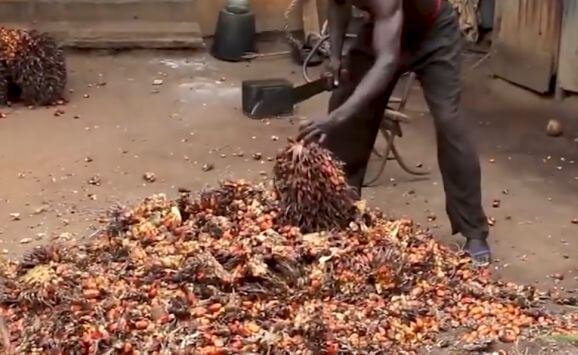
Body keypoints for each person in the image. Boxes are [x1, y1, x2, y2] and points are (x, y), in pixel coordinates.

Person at [297, 0, 491, 265]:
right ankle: (342, 209)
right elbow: (338, 4)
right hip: (382, 27)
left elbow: (388, 62)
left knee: (449, 121)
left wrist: (334, 119)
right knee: (346, 96)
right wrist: (334, 58)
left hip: (433, 33)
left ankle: (474, 231)